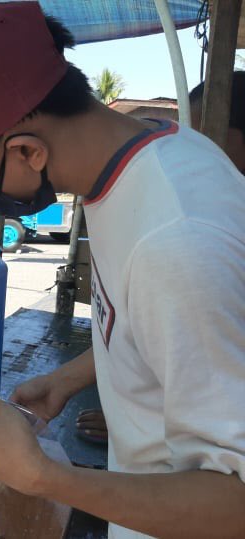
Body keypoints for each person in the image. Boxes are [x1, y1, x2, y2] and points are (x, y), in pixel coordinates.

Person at [0, 4, 245, 538]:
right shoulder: (159, 151)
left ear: (26, 150)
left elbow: (234, 502)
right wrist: (68, 379)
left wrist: (42, 475)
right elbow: (162, 325)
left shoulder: (177, 242)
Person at [76, 69, 245, 445]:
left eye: (207, 134)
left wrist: (153, 425)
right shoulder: (180, 180)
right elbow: (150, 332)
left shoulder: (195, 238)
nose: (194, 149)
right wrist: (114, 401)